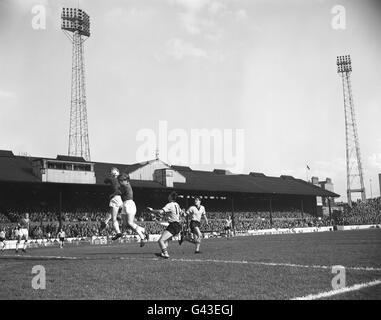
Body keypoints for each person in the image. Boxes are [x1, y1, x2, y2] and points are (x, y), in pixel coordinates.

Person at [147, 191, 182, 259]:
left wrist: (152, 210)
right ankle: (163, 253)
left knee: (161, 240)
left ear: (171, 197)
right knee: (166, 240)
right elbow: (180, 212)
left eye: (169, 195)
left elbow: (161, 211)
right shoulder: (177, 204)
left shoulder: (169, 204)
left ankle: (165, 254)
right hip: (177, 225)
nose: (168, 196)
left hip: (173, 225)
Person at [118, 173, 149, 247]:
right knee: (125, 224)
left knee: (130, 223)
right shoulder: (125, 185)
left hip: (129, 204)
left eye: (121, 180)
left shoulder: (126, 186)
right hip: (124, 204)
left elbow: (119, 192)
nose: (120, 182)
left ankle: (142, 237)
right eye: (119, 180)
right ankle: (143, 230)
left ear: (126, 180)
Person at [102, 167, 123, 240]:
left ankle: (118, 232)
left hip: (115, 199)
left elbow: (105, 181)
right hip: (120, 199)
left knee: (114, 219)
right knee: (111, 213)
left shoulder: (112, 179)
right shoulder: (121, 181)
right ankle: (106, 221)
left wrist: (111, 176)